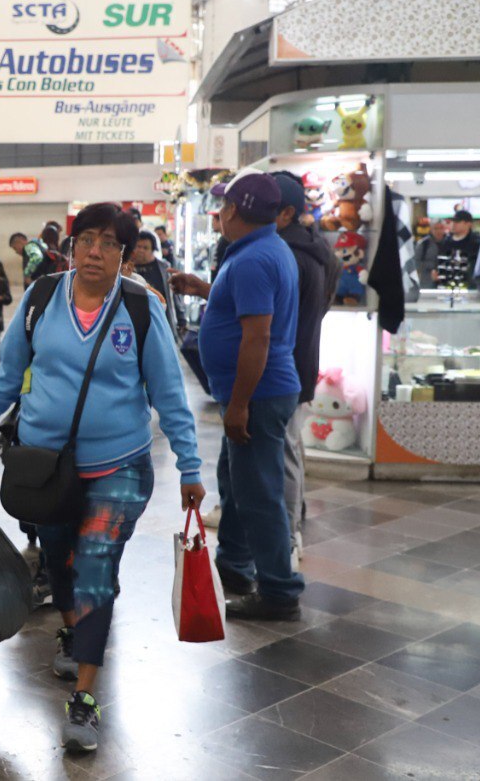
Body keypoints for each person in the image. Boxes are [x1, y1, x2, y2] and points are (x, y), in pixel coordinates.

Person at [0, 203, 204, 754]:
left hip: (120, 465)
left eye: (109, 243)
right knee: (61, 563)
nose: (96, 251)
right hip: (48, 467)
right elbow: (8, 374)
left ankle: (86, 699)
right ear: (71, 247)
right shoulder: (42, 298)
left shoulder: (141, 307)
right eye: (87, 240)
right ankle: (76, 630)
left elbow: (169, 394)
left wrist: (190, 465)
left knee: (95, 565)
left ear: (125, 253)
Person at [170, 170, 304, 623]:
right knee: (237, 481)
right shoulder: (261, 250)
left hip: (260, 395)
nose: (219, 212)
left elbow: (257, 338)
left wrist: (240, 404)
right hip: (258, 392)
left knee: (260, 495)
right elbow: (248, 310)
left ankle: (278, 592)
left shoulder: (251, 259)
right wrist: (206, 290)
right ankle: (235, 565)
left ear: (236, 211)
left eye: (224, 205)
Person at [273, 171, 338, 568]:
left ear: (286, 213)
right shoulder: (317, 250)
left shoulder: (287, 255)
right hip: (300, 362)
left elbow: (271, 320)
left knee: (283, 453)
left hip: (285, 368)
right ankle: (292, 521)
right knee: (290, 446)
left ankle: (287, 536)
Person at [130, 231, 186, 336]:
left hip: (161, 323)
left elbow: (175, 296)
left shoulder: (164, 268)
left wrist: (181, 318)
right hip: (133, 324)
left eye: (145, 248)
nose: (141, 250)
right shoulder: (127, 268)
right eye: (138, 246)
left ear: (153, 250)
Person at [440, 209, 480, 287]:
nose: (453, 224)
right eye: (453, 221)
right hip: (448, 285)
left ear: (468, 224)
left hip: (470, 286)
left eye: (457, 222)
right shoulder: (446, 241)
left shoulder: (477, 243)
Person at [414, 216, 447, 287]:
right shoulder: (423, 244)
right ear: (431, 229)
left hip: (446, 282)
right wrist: (432, 269)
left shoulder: (450, 243)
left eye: (441, 228)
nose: (438, 231)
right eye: (435, 228)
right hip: (427, 283)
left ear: (445, 229)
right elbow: (416, 263)